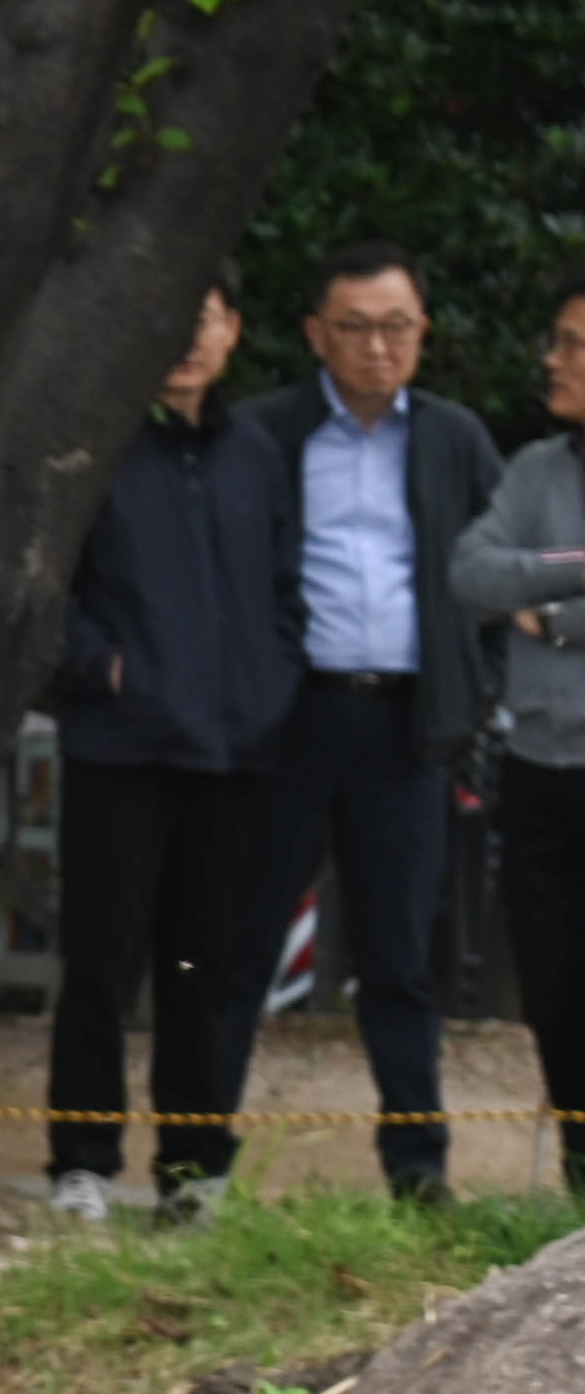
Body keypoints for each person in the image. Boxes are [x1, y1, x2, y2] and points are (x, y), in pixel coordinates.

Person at [229, 244, 505, 1202]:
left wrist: (476, 690)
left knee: (400, 959)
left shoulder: (455, 439)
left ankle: (418, 1168)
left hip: (406, 724)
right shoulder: (265, 432)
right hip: (291, 719)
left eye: (398, 326)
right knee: (240, 944)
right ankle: (197, 1167)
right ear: (316, 334)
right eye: (355, 327)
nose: (378, 347)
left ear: (424, 332)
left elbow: (496, 574)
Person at [43, 262, 304, 1227]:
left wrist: (271, 683)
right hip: (120, 750)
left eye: (208, 319)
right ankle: (81, 1163)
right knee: (100, 968)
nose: (189, 341)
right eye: (170, 318)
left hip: (234, 754)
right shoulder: (93, 446)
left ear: (235, 330)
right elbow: (44, 592)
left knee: (207, 973)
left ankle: (194, 1169)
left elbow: (285, 590)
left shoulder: (256, 452)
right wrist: (102, 669)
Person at [448, 266, 585, 1197]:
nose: (555, 358)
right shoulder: (537, 469)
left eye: (574, 343)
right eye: (558, 340)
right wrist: (569, 569)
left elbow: (521, 593)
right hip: (541, 771)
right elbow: (473, 573)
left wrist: (557, 614)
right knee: (554, 994)